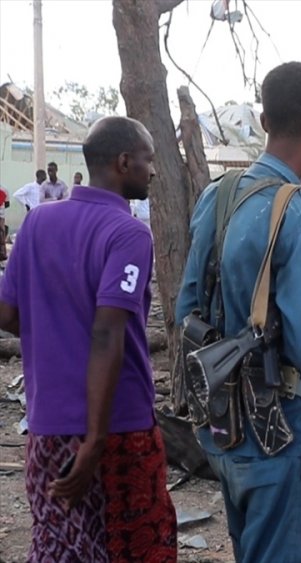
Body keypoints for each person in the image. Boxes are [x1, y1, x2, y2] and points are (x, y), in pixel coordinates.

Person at [176, 61, 301, 563]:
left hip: (224, 432)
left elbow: (188, 309)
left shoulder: (218, 194)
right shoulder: (297, 209)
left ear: (263, 119)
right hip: (280, 436)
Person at [0, 116, 177, 561]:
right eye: (147, 160)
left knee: (61, 549)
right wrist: (95, 440)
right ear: (123, 162)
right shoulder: (129, 233)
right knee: (138, 549)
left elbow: (7, 314)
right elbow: (106, 331)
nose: (152, 171)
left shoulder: (37, 223)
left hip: (46, 429)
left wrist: (55, 325)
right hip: (116, 430)